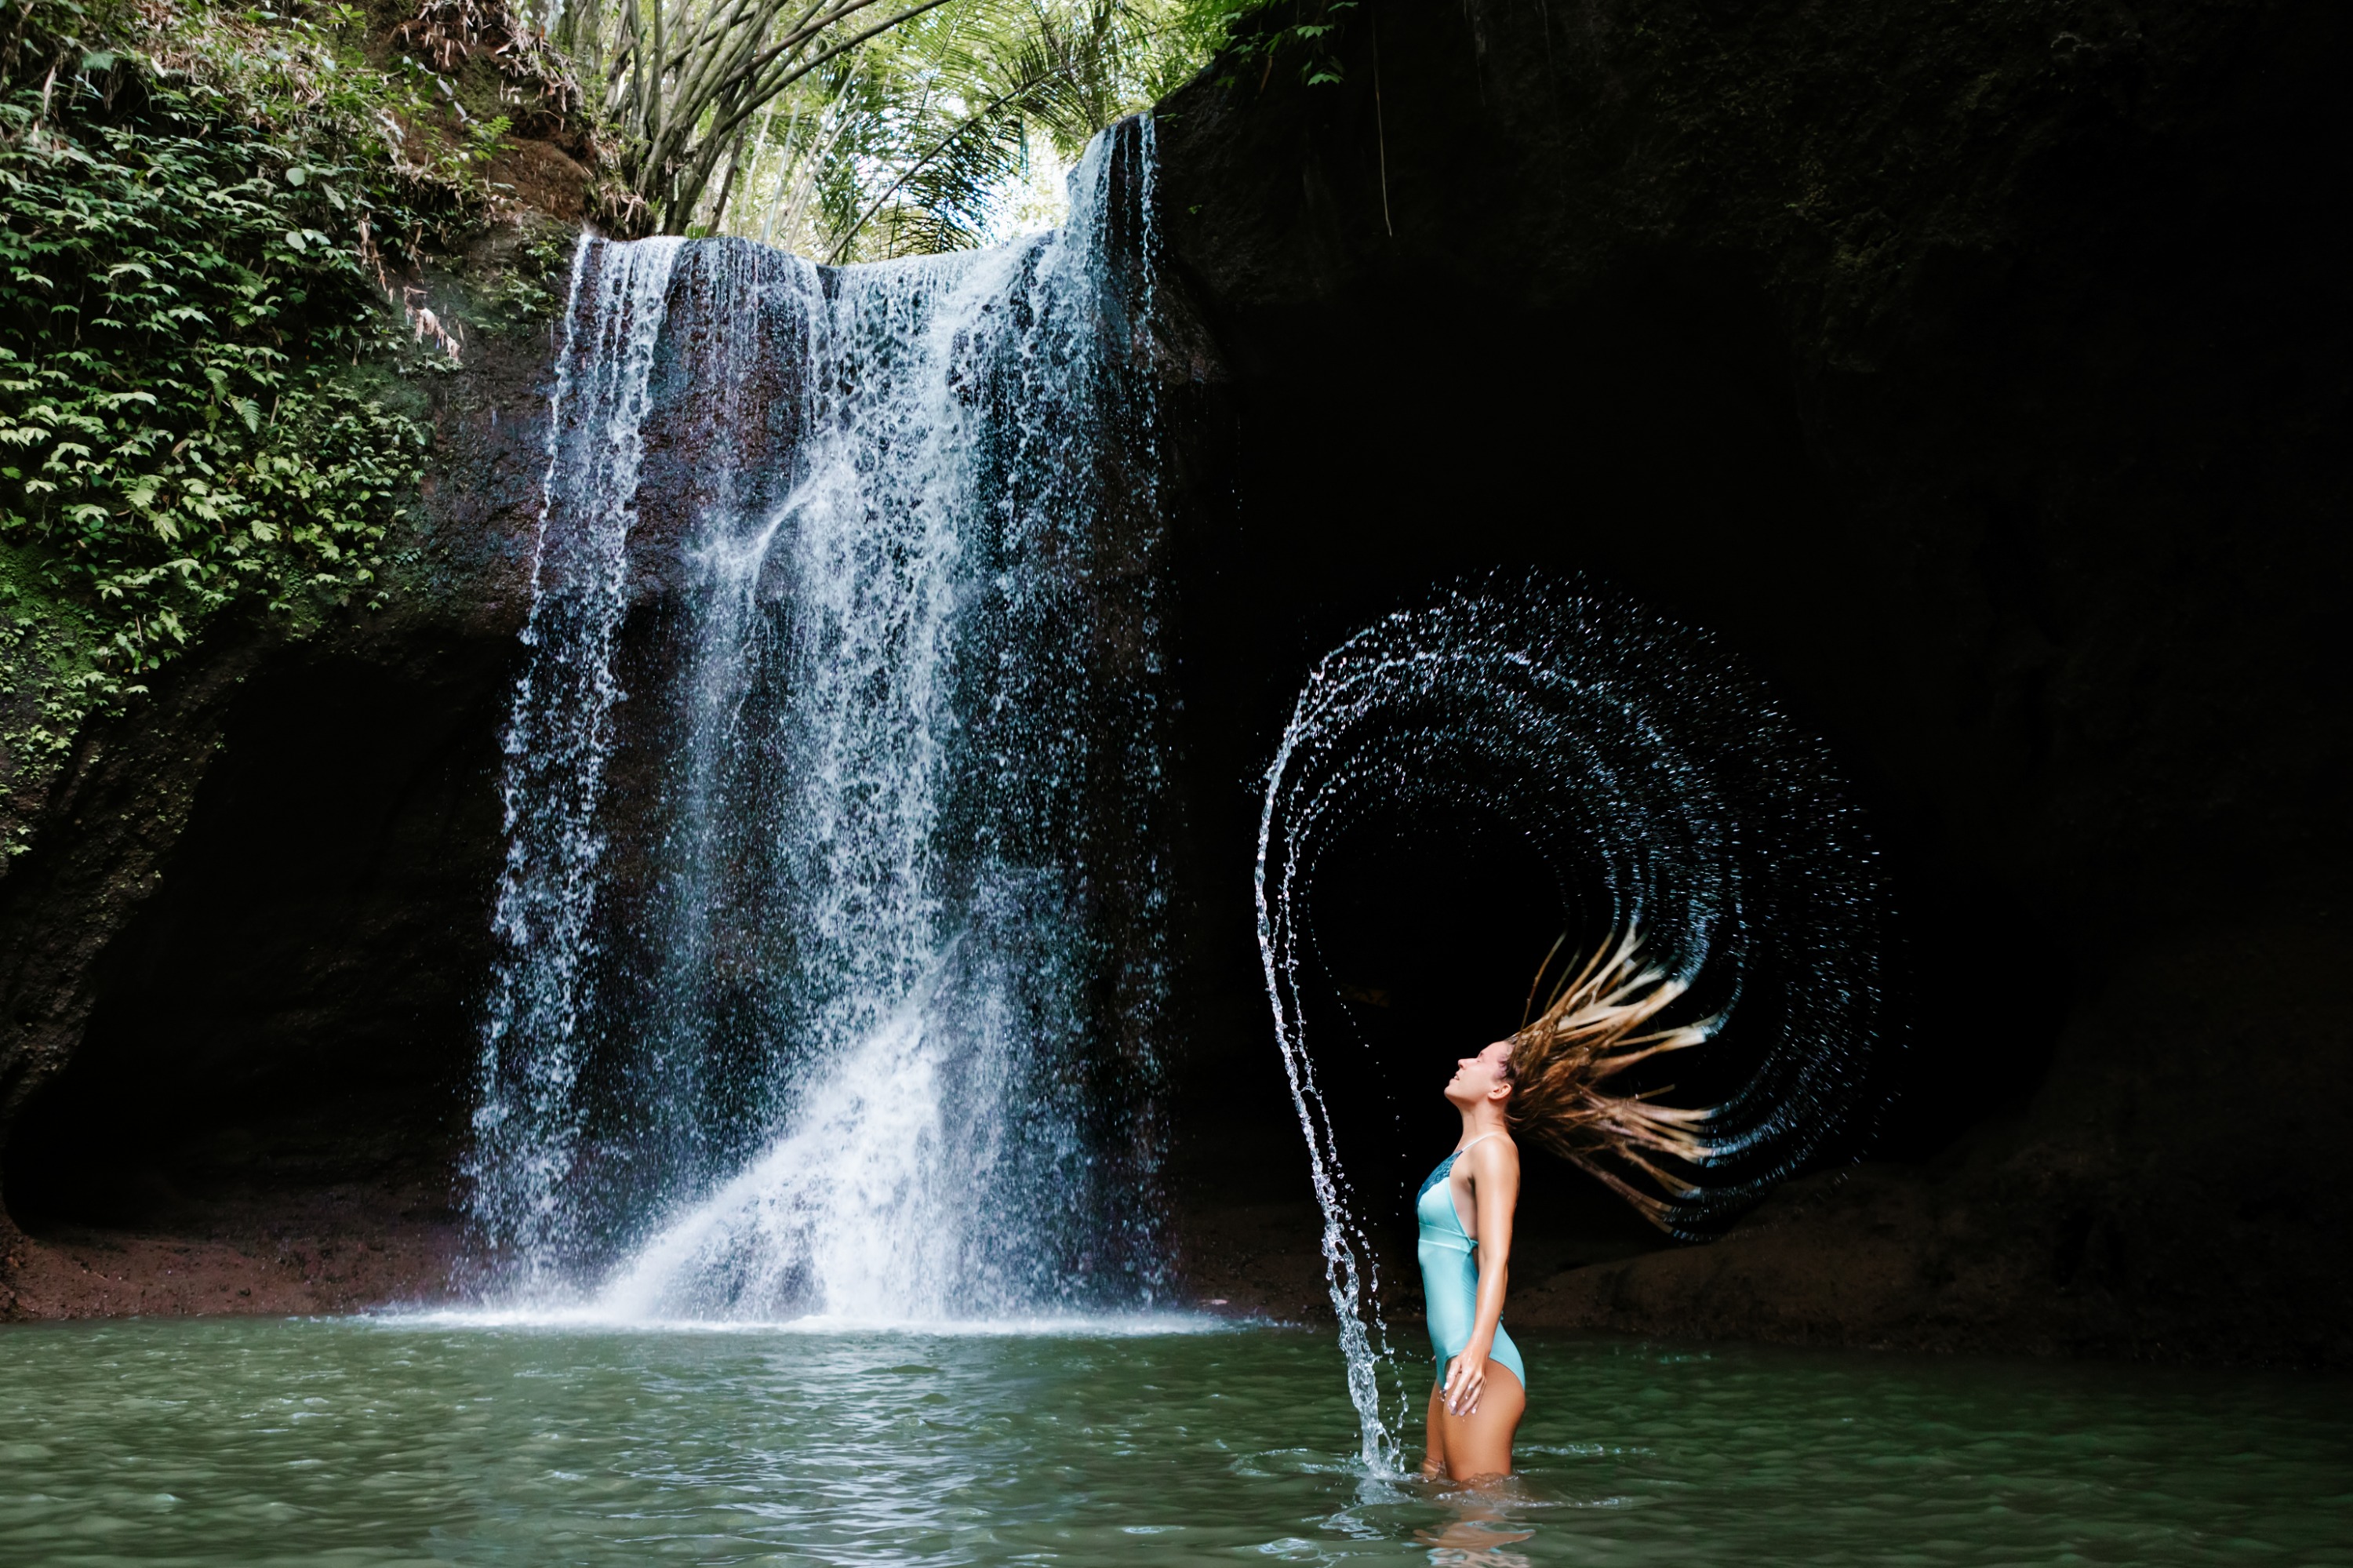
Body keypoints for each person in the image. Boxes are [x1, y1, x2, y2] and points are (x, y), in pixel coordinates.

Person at [1416, 930, 1717, 1483]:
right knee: (1437, 1508)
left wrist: (1477, 1352)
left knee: (1480, 1528)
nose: (1462, 1060)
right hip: (1451, 1365)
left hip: (1479, 1364)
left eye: (1479, 1059)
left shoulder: (1495, 1152)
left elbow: (1497, 1259)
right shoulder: (1465, 1150)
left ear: (1500, 1090)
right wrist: (1456, 1360)